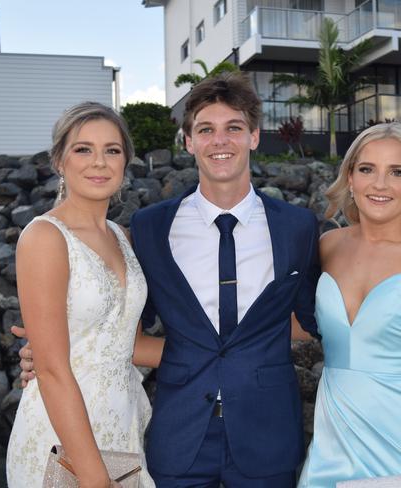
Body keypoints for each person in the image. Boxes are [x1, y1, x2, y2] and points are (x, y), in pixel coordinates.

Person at [17, 72, 321, 487]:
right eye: (205, 130)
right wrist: (53, 354)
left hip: (267, 435)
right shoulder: (149, 229)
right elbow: (120, 326)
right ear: (188, 141)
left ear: (253, 136)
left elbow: (311, 319)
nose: (220, 141)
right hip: (178, 437)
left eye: (233, 128)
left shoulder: (298, 227)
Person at [297, 122, 401, 488]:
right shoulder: (327, 247)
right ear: (351, 178)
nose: (380, 184)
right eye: (367, 169)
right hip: (332, 450)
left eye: (397, 172)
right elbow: (306, 325)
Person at [6, 102, 161, 488]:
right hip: (63, 441)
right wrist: (93, 477)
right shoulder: (44, 238)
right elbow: (52, 368)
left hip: (122, 432)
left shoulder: (122, 238)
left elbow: (131, 344)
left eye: (112, 150)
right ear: (59, 160)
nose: (100, 162)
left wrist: (224, 352)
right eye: (83, 149)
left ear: (126, 161)